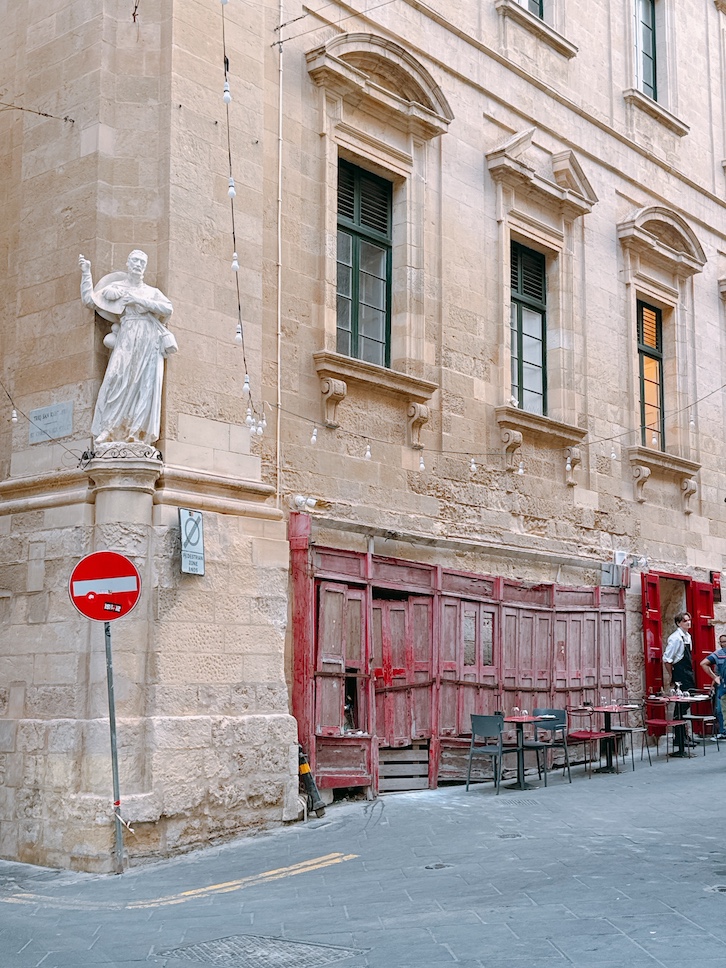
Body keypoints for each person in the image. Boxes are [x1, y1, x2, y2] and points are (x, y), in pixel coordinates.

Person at [79, 250, 174, 446]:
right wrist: (86, 273)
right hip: (127, 336)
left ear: (145, 267)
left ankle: (136, 431)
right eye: (135, 261)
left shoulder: (151, 292)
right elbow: (90, 300)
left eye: (142, 262)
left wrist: (139, 301)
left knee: (145, 384)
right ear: (128, 263)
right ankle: (109, 428)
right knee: (116, 377)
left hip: (149, 340)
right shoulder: (116, 288)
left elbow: (168, 309)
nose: (138, 264)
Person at [700, 633, 726, 740]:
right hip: (723, 685)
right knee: (720, 709)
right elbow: (703, 663)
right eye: (723, 642)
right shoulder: (718, 654)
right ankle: (723, 731)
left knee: (721, 708)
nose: (724, 644)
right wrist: (715, 678)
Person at [663, 612, 695, 692]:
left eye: (689, 620)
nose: (688, 623)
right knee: (682, 699)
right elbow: (667, 659)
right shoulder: (675, 638)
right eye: (685, 621)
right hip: (680, 672)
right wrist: (671, 676)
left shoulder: (688, 636)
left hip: (688, 671)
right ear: (678, 623)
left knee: (690, 695)